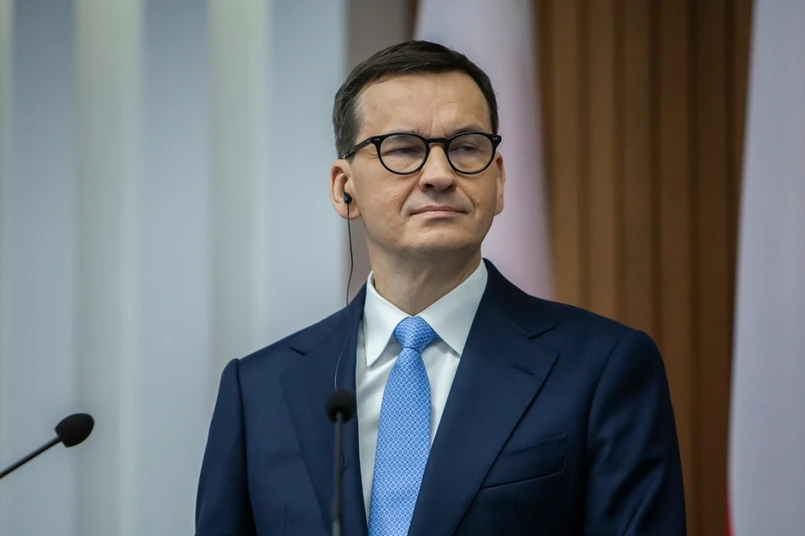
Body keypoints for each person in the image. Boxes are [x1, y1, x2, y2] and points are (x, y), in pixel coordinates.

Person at [195, 40, 686, 536]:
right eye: (403, 149)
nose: (438, 175)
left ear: (498, 181)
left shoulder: (602, 369)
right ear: (345, 188)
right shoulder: (258, 391)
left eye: (466, 147)